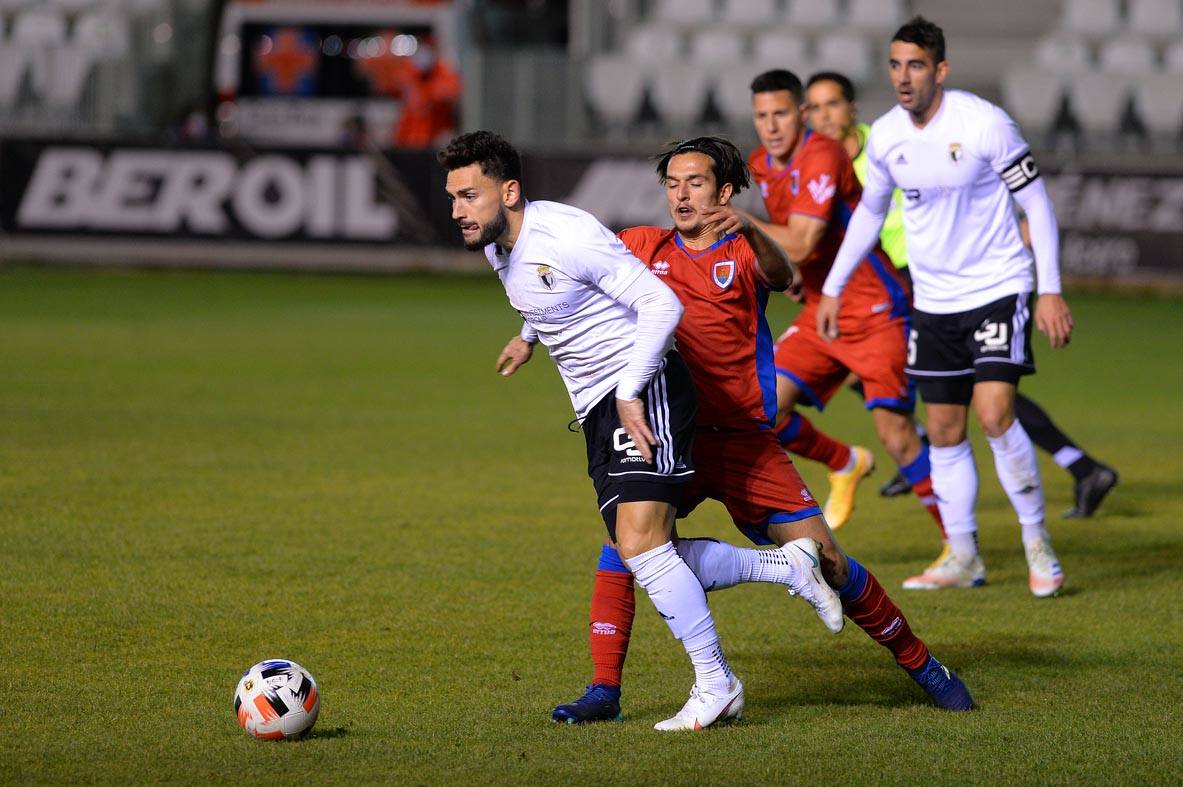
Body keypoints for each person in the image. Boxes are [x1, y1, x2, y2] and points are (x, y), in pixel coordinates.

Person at [550, 137, 973, 724]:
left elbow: (785, 272)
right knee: (626, 546)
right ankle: (603, 691)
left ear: (723, 192)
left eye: (694, 182)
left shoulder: (745, 252)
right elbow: (582, 269)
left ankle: (925, 665)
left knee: (827, 558)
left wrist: (750, 228)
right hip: (679, 434)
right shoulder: (645, 247)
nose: (681, 195)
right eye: (672, 184)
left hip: (746, 439)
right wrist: (530, 326)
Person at [439, 130, 835, 731]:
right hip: (600, 408)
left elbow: (661, 306)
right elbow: (549, 298)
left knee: (642, 546)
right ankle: (784, 567)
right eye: (453, 198)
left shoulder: (565, 234)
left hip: (643, 388)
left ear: (510, 191)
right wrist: (528, 338)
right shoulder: (499, 246)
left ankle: (716, 681)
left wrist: (629, 392)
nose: (458, 211)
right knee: (643, 551)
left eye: (469, 195)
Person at [818, 17, 1071, 596]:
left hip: (997, 288)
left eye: (914, 66)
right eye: (894, 65)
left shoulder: (984, 124)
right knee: (943, 427)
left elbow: (1038, 205)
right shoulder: (886, 136)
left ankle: (1037, 542)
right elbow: (869, 214)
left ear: (940, 70)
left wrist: (1049, 287)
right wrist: (834, 285)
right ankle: (963, 555)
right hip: (933, 303)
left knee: (994, 415)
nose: (902, 78)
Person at [805, 71, 1118, 516]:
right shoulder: (818, 165)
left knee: (976, 388)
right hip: (892, 284)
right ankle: (926, 451)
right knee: (877, 368)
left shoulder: (887, 140)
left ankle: (1078, 467)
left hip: (932, 276)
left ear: (852, 108)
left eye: (832, 104)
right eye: (814, 108)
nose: (824, 116)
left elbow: (963, 183)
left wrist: (1015, 215)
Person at [743, 69, 945, 536]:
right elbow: (801, 248)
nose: (771, 126)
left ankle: (959, 545)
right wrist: (796, 276)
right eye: (761, 116)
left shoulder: (824, 153)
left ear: (802, 114)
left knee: (898, 434)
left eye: (781, 114)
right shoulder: (763, 163)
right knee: (762, 409)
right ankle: (845, 462)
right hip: (823, 310)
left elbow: (800, 241)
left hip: (875, 308)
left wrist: (747, 224)